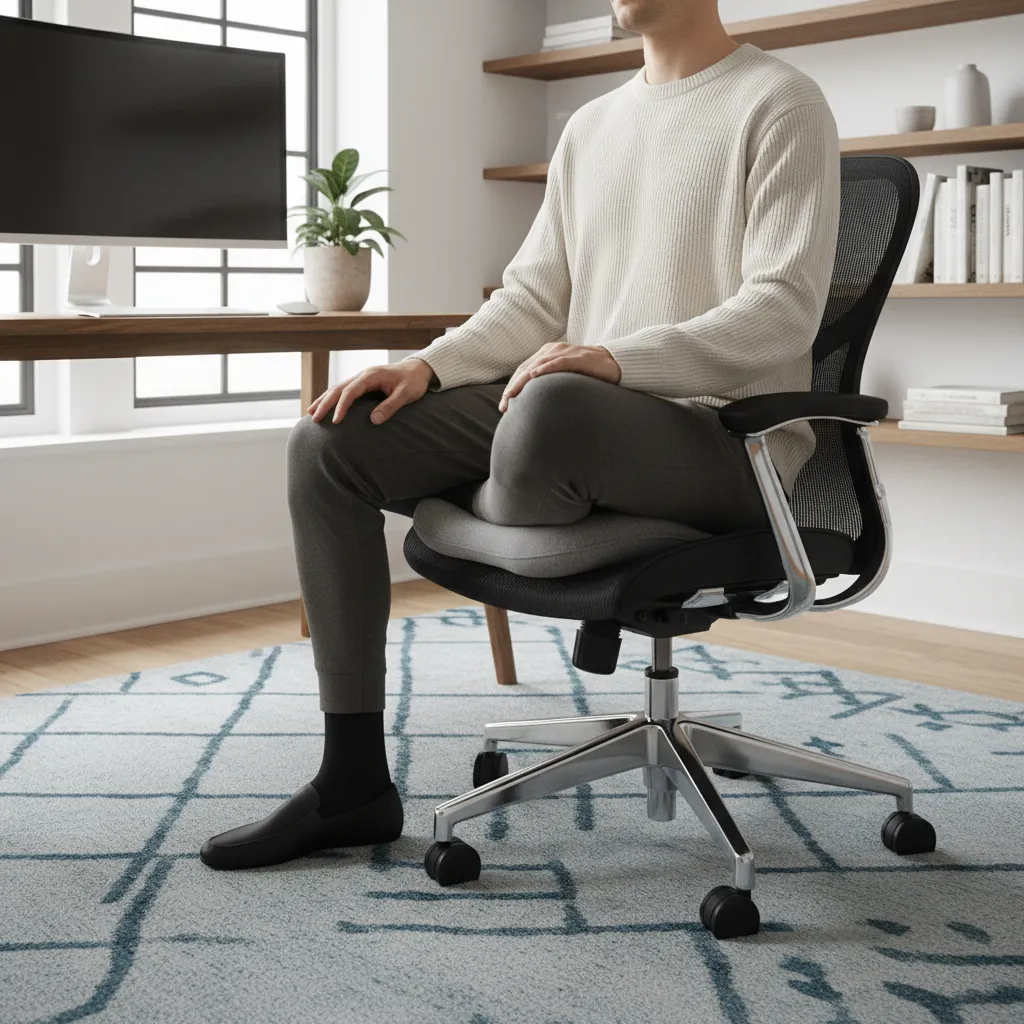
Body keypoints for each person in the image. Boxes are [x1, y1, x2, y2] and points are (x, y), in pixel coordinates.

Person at [199, 0, 840, 870]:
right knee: (331, 441)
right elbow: (534, 299)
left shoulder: (781, 102)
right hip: (581, 419)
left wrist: (614, 359)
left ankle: (491, 497)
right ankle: (351, 783)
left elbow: (781, 310)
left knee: (547, 405)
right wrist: (427, 366)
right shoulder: (592, 126)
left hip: (725, 444)